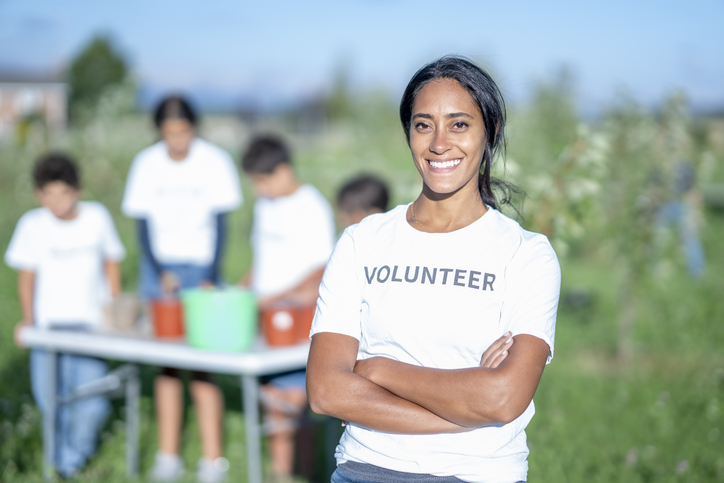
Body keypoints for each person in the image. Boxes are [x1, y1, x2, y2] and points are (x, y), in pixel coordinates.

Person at [307, 56, 561, 483]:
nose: (439, 143)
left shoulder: (527, 254)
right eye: (424, 125)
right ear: (408, 133)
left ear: (491, 132)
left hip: (480, 474)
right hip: (365, 469)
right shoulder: (362, 242)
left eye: (459, 124)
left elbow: (502, 398)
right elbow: (326, 391)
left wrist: (377, 369)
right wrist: (464, 410)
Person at [121, 95, 242, 482]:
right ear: (159, 131)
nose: (177, 140)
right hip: (160, 270)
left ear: (194, 128)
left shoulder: (215, 160)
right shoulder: (146, 163)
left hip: (201, 267)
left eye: (183, 131)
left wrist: (210, 271)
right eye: (170, 133)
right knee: (167, 364)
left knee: (205, 364)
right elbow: (142, 225)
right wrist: (160, 271)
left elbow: (222, 223)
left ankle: (212, 462)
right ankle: (168, 457)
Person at [5, 153, 125, 478]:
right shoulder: (32, 225)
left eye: (64, 193)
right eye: (49, 195)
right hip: (48, 328)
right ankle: (56, 464)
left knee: (92, 402)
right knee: (49, 402)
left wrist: (114, 308)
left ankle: (73, 460)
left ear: (78, 191)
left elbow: (111, 262)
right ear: (38, 195)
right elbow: (27, 277)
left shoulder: (97, 218)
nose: (57, 202)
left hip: (90, 326)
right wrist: (29, 320)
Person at [239, 134, 336, 481]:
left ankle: (303, 472)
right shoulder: (264, 206)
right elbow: (261, 260)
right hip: (265, 317)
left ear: (282, 171)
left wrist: (278, 296)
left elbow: (322, 267)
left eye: (261, 181)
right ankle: (280, 473)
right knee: (271, 399)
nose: (258, 189)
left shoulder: (312, 206)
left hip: (296, 320)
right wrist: (240, 290)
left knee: (294, 402)